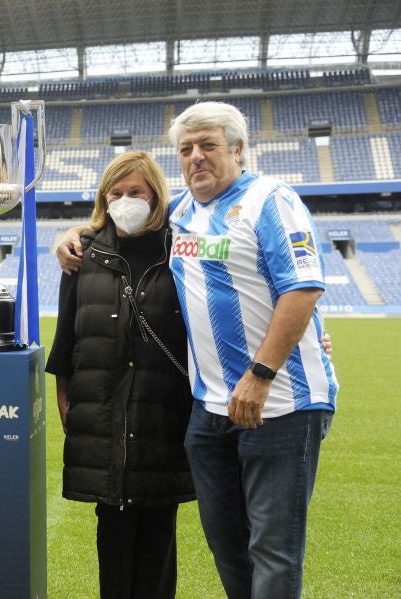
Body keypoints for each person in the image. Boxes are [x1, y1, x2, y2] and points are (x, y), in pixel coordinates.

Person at [165, 101, 337, 599]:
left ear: (238, 149)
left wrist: (260, 374)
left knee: (274, 550)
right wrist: (72, 234)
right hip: (210, 411)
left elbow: (302, 288)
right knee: (226, 545)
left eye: (208, 146)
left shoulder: (270, 200)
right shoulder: (181, 213)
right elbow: (119, 223)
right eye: (186, 149)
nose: (196, 157)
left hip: (279, 404)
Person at [46, 150, 194, 598]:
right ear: (103, 197)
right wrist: (65, 397)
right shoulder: (81, 254)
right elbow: (65, 339)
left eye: (136, 192)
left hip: (163, 409)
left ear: (156, 196)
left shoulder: (181, 247)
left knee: (158, 530)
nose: (125, 199)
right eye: (116, 192)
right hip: (102, 409)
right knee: (111, 528)